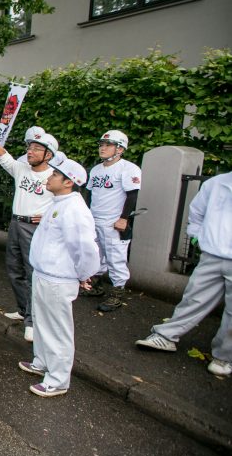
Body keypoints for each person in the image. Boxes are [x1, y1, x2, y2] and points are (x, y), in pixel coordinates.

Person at [135, 171, 232, 377]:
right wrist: (196, 237)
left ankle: (224, 357)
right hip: (212, 254)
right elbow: (196, 213)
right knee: (194, 297)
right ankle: (167, 336)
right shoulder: (216, 184)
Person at [18, 153, 98, 397]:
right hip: (43, 274)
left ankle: (59, 379)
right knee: (42, 323)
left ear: (68, 182)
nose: (49, 177)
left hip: (58, 279)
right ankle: (41, 361)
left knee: (58, 330)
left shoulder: (75, 210)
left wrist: (84, 275)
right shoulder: (57, 203)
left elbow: (85, 249)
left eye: (55, 174)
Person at [0, 126, 58, 342]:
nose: (30, 151)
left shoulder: (54, 177)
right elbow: (3, 156)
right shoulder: (22, 169)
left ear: (48, 155)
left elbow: (65, 204)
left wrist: (48, 216)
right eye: (29, 147)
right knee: (14, 269)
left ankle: (32, 320)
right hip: (16, 224)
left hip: (36, 229)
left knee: (33, 274)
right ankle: (23, 310)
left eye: (36, 149)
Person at [86, 130, 142, 312]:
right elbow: (89, 194)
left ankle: (117, 293)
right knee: (96, 255)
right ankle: (97, 286)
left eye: (107, 145)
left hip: (113, 222)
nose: (102, 148)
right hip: (95, 219)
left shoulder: (129, 169)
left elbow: (132, 196)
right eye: (101, 145)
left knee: (116, 258)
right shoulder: (96, 169)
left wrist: (124, 219)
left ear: (120, 149)